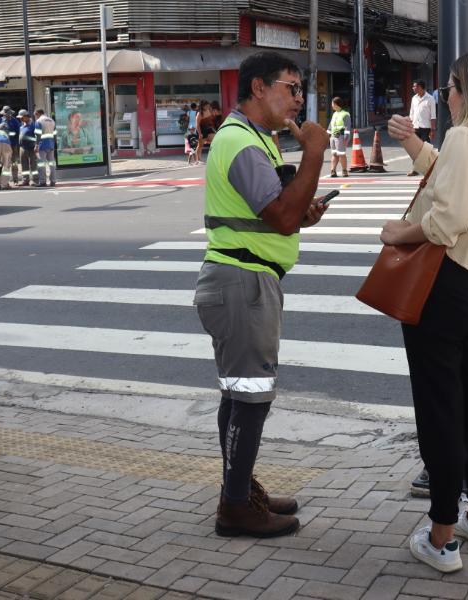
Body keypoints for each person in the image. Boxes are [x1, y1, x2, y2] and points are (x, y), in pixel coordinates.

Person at [381, 49, 468, 573]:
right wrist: (416, 145)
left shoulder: (465, 137)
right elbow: (452, 179)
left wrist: (400, 232)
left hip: (442, 289)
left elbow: (447, 218)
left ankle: (441, 537)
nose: (446, 96)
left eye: (450, 87)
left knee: (440, 411)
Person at [194, 50, 329, 538]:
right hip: (242, 281)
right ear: (258, 88)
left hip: (246, 278)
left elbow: (279, 210)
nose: (298, 99)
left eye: (299, 90)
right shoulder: (242, 142)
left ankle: (240, 486)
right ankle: (235, 508)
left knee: (240, 394)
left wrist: (300, 210)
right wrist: (315, 152)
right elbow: (281, 216)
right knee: (250, 398)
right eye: (290, 88)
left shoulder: (255, 140)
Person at [407, 80, 436, 175]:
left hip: (425, 128)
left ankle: (430, 169)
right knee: (415, 150)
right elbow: (412, 113)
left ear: (420, 87)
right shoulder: (414, 98)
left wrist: (432, 130)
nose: (413, 88)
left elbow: (433, 116)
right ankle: (415, 169)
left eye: (414, 86)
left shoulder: (430, 98)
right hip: (415, 127)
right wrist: (410, 125)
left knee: (426, 149)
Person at [0, 106, 22, 184]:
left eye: (9, 114)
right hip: (3, 145)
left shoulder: (15, 121)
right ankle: (4, 181)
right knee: (4, 164)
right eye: (6, 114)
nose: (8, 115)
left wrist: (18, 143)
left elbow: (19, 133)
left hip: (13, 145)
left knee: (14, 163)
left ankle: (15, 180)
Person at [326, 97, 351, 178]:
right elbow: (331, 125)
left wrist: (346, 137)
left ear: (336, 104)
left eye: (332, 104)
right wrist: (327, 135)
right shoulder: (334, 114)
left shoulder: (345, 114)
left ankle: (344, 170)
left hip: (340, 136)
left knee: (341, 154)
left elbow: (347, 126)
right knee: (334, 154)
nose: (332, 105)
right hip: (333, 137)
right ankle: (333, 171)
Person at [34, 109, 57, 187]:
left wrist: (36, 145)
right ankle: (53, 181)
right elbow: (55, 134)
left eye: (35, 115)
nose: (35, 117)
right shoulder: (52, 121)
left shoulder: (39, 121)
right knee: (52, 164)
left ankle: (43, 182)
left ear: (37, 113)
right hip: (51, 145)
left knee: (41, 164)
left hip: (42, 145)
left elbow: (38, 135)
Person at [17, 110, 38, 186]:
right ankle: (25, 180)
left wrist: (36, 145)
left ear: (26, 116)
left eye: (22, 117)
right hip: (23, 148)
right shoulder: (22, 126)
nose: (20, 119)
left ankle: (35, 180)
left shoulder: (34, 125)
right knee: (24, 165)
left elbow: (37, 136)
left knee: (33, 165)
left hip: (32, 148)